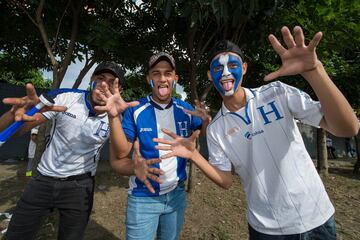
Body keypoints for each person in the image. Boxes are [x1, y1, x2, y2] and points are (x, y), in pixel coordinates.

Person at [153, 26, 359, 239]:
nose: (225, 73)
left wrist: (314, 71)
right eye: (217, 68)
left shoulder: (277, 92)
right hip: (266, 229)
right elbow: (225, 180)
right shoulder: (215, 129)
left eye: (232, 65)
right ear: (209, 75)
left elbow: (348, 128)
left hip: (317, 218)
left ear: (243, 68)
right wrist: (194, 155)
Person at [0, 62, 141, 240]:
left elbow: (121, 154)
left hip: (80, 186)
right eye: (100, 79)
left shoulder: (120, 115)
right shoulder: (65, 98)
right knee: (16, 235)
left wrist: (114, 117)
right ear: (91, 80)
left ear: (119, 88)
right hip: (43, 179)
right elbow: (17, 130)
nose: (104, 85)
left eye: (112, 82)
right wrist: (13, 115)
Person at [95, 52, 211, 240]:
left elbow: (202, 132)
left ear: (175, 78)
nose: (162, 78)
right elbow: (122, 151)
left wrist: (205, 121)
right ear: (149, 79)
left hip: (176, 195)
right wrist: (113, 116)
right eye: (156, 73)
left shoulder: (185, 108)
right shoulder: (136, 108)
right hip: (143, 198)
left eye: (167, 73)